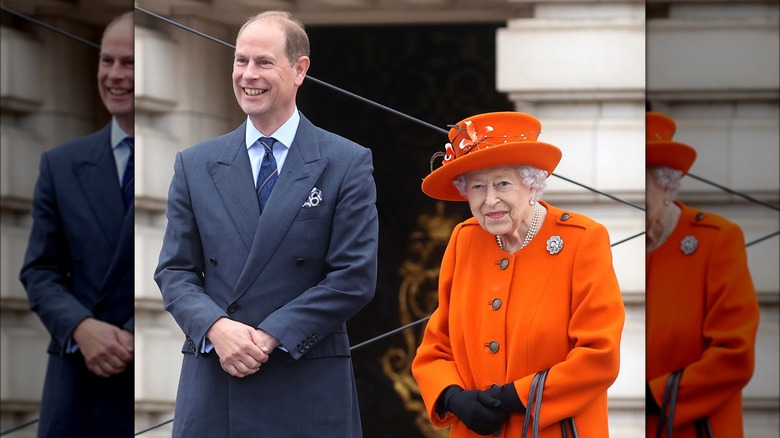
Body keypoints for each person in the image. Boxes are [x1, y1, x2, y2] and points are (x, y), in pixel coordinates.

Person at [154, 10, 378, 437]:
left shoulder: (347, 161)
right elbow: (175, 271)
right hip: (217, 379)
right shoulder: (194, 164)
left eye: (263, 62)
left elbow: (353, 277)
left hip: (305, 381)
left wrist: (270, 335)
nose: (247, 75)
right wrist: (217, 329)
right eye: (240, 61)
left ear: (299, 70)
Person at [411, 112, 625, 437]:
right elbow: (437, 347)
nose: (490, 199)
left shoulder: (582, 239)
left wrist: (516, 397)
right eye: (478, 187)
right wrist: (453, 397)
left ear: (532, 184)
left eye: (503, 183)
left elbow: (600, 355)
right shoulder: (464, 239)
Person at [18, 11, 135, 437]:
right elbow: (40, 270)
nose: (114, 75)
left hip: (154, 375)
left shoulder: (197, 164)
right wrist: (82, 328)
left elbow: (203, 268)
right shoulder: (60, 164)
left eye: (130, 63)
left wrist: (135, 335)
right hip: (77, 384)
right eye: (107, 61)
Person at [645, 111, 759, 437]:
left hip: (696, 429)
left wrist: (656, 397)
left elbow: (734, 354)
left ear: (667, 186)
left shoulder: (717, 240)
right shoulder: (612, 245)